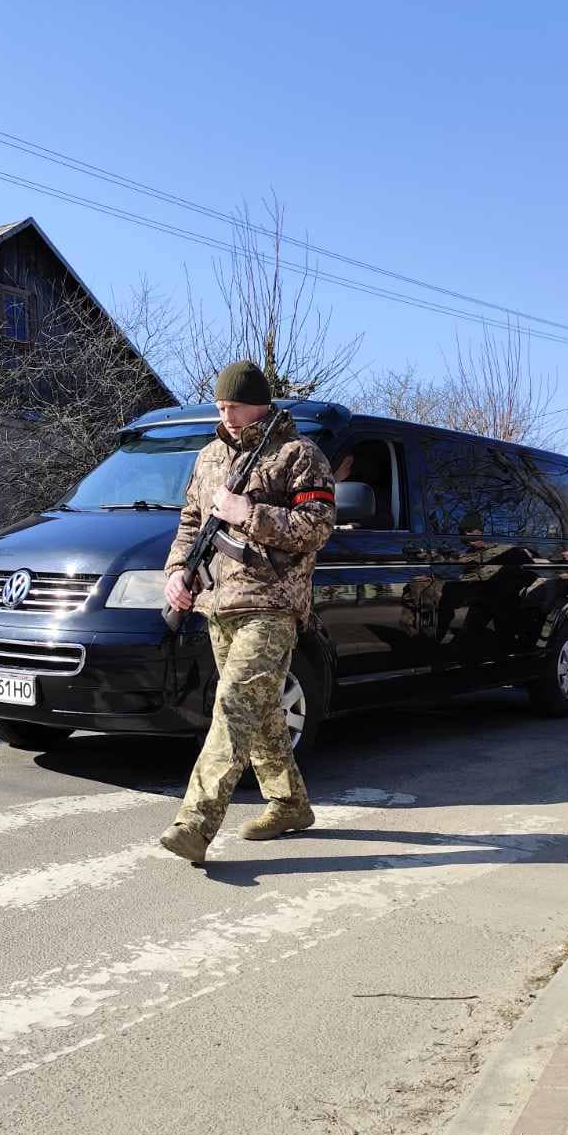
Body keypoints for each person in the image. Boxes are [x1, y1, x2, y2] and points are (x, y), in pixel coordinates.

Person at [158, 360, 338, 864]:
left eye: (234, 405)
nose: (227, 414)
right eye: (220, 406)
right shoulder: (210, 456)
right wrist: (177, 573)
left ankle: (195, 822)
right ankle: (289, 804)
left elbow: (317, 526)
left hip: (273, 604)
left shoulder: (299, 456)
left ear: (260, 402)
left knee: (233, 707)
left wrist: (248, 514)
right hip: (218, 601)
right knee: (260, 713)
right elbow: (190, 523)